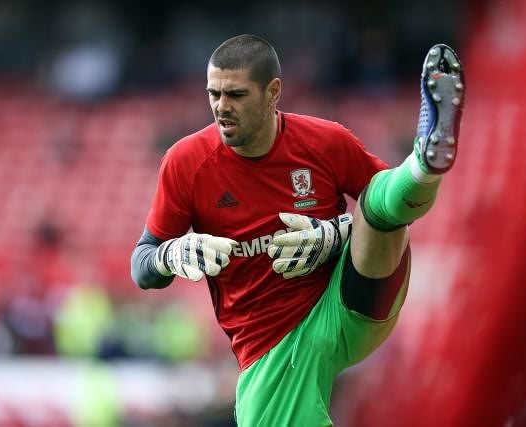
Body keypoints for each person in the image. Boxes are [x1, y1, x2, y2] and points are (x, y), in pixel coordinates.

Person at [130, 34, 464, 426]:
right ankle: (421, 166)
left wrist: (335, 234)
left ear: (273, 92)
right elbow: (141, 266)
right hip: (272, 347)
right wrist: (170, 255)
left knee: (377, 200)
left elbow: (402, 210)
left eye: (236, 95)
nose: (221, 107)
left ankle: (425, 162)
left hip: (347, 302)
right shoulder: (186, 162)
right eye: (213, 94)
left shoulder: (326, 142)